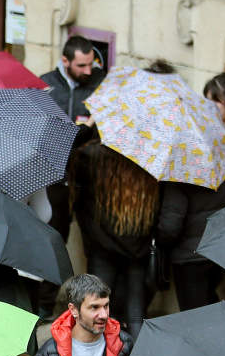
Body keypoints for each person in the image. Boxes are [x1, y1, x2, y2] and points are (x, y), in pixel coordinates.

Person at [69, 142, 161, 335]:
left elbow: (82, 201)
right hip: (138, 245)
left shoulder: (95, 158)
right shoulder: (150, 157)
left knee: (98, 309)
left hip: (103, 246)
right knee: (136, 313)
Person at [155, 178, 225, 311]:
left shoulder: (177, 179)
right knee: (210, 303)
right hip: (215, 251)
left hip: (188, 258)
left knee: (193, 312)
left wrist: (159, 239)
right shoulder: (216, 174)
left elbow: (170, 227)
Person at [40, 35, 105, 123]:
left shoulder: (101, 82)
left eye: (90, 64)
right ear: (65, 61)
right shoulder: (45, 84)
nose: (88, 71)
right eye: (81, 66)